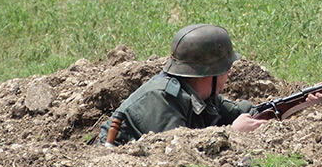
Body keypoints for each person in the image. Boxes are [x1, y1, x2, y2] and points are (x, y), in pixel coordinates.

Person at [99, 24, 269, 145]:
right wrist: (232, 133)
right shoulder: (161, 98)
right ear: (210, 73)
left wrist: (275, 113)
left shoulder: (202, 96)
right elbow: (178, 152)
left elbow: (242, 111)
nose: (229, 73)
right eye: (226, 68)